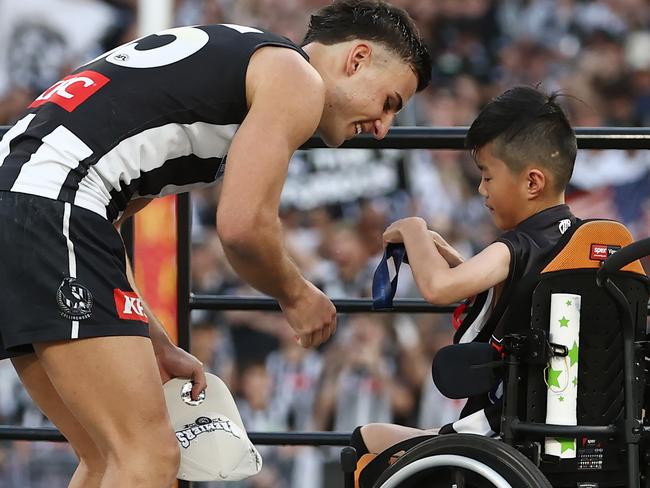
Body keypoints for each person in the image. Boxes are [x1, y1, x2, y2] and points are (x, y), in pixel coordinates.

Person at [0, 1, 431, 486]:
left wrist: (153, 340)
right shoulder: (298, 80)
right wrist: (297, 294)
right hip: (51, 206)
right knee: (149, 458)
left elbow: (110, 222)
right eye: (390, 102)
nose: (384, 127)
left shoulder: (244, 58)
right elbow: (243, 226)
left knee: (107, 457)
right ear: (356, 59)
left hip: (29, 204)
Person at [353, 86, 579, 463]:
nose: (481, 188)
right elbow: (515, 294)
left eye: (488, 177)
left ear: (532, 182)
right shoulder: (582, 244)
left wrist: (412, 228)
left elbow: (439, 289)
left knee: (366, 438)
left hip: (502, 433)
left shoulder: (514, 246)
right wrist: (452, 258)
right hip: (563, 433)